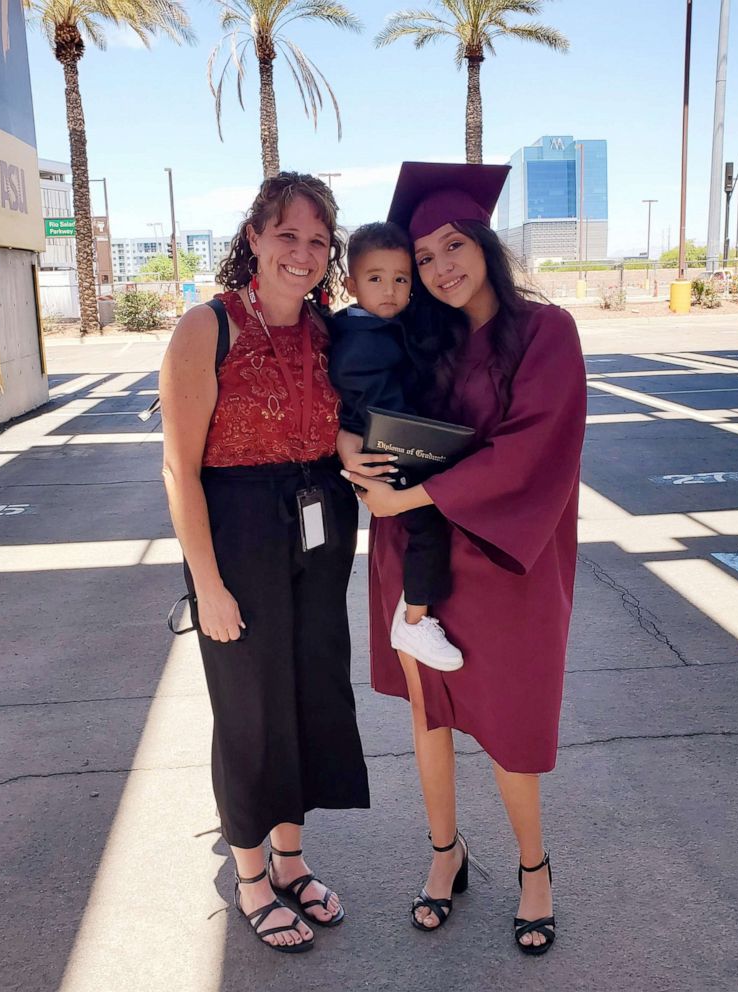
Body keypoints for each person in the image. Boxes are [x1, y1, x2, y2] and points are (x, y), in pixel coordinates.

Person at [339, 162, 587, 956]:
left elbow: (530, 452)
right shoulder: (416, 335)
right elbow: (355, 401)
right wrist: (351, 449)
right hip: (419, 560)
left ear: (483, 243)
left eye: (454, 247)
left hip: (508, 561)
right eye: (425, 257)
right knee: (428, 714)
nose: (441, 269)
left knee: (512, 723)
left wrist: (406, 498)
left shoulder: (547, 333)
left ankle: (534, 868)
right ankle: (447, 853)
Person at [159, 172, 370, 955]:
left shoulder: (330, 331)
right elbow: (180, 469)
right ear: (253, 237)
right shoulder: (205, 329)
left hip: (320, 525)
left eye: (318, 240)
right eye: (288, 235)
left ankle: (290, 857)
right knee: (249, 709)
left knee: (310, 695)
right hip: (237, 534)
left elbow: (350, 427)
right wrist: (207, 584)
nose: (304, 253)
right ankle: (251, 878)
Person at [329, 221, 462, 672]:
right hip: (386, 448)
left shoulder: (362, 326)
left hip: (390, 440)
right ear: (350, 284)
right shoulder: (358, 341)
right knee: (427, 528)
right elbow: (378, 401)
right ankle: (414, 619)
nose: (390, 290)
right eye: (375, 279)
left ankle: (417, 611)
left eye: (401, 279)